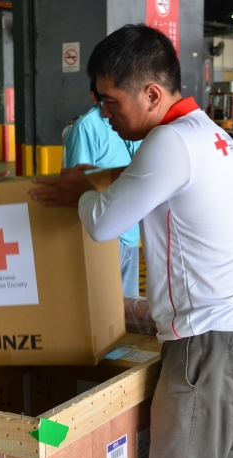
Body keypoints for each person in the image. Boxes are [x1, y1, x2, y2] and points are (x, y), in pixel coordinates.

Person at [30, 24, 233, 458]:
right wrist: (98, 183)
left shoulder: (169, 141)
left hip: (211, 350)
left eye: (111, 100)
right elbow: (137, 181)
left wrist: (79, 192)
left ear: (150, 93)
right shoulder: (209, 135)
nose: (105, 115)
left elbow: (103, 223)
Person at [63, 80, 142, 297]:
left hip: (131, 231)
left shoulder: (131, 123)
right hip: (105, 234)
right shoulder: (86, 128)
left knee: (129, 317)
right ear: (95, 97)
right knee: (105, 310)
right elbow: (77, 184)